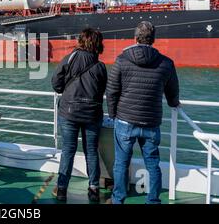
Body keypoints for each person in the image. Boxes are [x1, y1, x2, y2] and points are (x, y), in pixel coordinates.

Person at [106, 21, 180, 204]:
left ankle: (118, 199)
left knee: (121, 163)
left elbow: (112, 91)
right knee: (153, 163)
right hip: (151, 122)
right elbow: (173, 91)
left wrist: (113, 114)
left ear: (135, 38)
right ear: (153, 40)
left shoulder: (121, 60)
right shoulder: (166, 63)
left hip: (125, 120)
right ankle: (153, 200)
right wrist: (174, 103)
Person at [51, 28, 108, 202]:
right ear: (98, 44)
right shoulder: (100, 66)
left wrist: (65, 91)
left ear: (82, 41)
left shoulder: (71, 58)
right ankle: (93, 189)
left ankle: (61, 190)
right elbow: (102, 90)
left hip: (69, 111)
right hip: (92, 113)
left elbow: (56, 82)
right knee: (91, 151)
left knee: (68, 150)